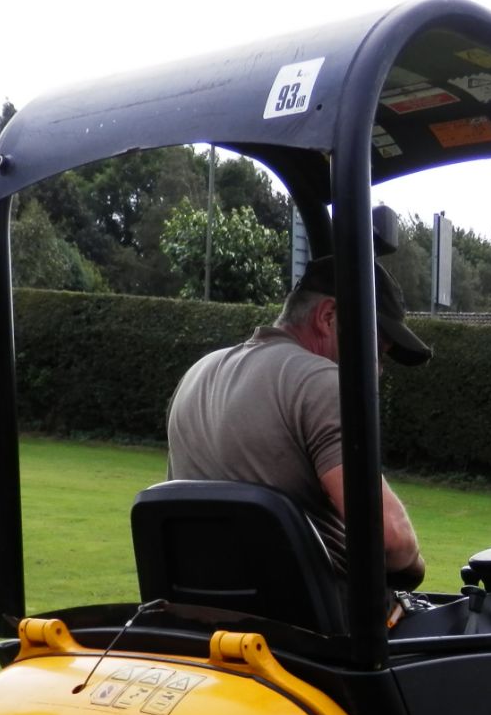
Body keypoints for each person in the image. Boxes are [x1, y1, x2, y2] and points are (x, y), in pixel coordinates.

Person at [166, 256, 432, 603]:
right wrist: (415, 565)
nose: (378, 370)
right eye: (376, 352)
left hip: (198, 615)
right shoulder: (322, 383)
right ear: (328, 317)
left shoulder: (197, 375)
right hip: (309, 631)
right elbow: (391, 537)